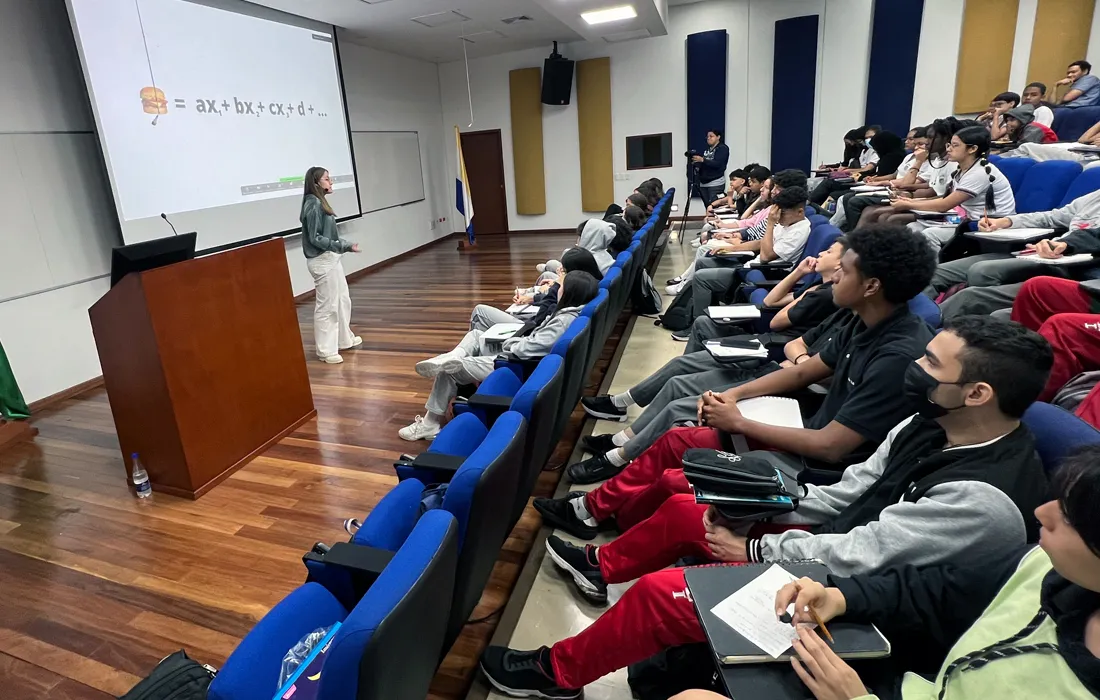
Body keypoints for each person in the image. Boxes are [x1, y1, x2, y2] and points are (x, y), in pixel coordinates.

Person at [481, 317, 1053, 698]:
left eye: (932, 364)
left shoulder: (980, 500)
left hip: (867, 603)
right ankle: (599, 567)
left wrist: (757, 545)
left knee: (665, 595)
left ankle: (557, 674)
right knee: (691, 505)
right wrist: (776, 504)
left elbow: (865, 556)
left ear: (977, 393)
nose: (918, 368)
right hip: (837, 551)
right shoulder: (929, 422)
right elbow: (850, 489)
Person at [665, 445, 1100, 700]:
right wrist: (842, 596)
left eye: (1068, 516)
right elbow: (932, 592)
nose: (1041, 513)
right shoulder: (1042, 562)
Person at [564, 225, 936, 485]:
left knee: (682, 419)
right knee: (687, 379)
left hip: (816, 459)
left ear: (871, 285)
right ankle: (620, 453)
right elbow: (803, 372)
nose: (836, 275)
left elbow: (832, 447)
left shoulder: (898, 354)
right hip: (802, 415)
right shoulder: (866, 319)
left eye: (844, 269)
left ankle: (618, 460)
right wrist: (736, 396)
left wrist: (737, 421)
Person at [575, 241, 847, 472]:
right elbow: (774, 310)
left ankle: (620, 453)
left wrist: (801, 359)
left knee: (678, 393)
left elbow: (778, 325)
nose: (821, 253)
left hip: (769, 362)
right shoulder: (822, 293)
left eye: (831, 252)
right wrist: (800, 273)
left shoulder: (829, 300)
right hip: (774, 359)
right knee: (681, 370)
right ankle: (623, 435)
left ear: (843, 267)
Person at [398, 271, 598, 441]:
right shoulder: (571, 313)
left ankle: (429, 424)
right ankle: (450, 355)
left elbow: (526, 349)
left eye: (561, 284)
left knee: (450, 369)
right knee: (476, 336)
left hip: (514, 364)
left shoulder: (563, 321)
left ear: (570, 292)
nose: (557, 286)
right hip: (519, 355)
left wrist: (509, 342)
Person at [924, 189, 1100, 322]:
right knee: (936, 273)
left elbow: (1090, 237)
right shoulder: (1094, 198)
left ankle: (923, 339)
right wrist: (1006, 221)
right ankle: (912, 323)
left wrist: (1067, 244)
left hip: (1074, 269)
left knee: (975, 285)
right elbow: (1051, 217)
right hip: (1041, 252)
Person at [890, 126, 1015, 255]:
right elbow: (945, 199)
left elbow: (944, 205)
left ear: (972, 149)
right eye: (949, 144)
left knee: (930, 235)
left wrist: (908, 204)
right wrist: (909, 200)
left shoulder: (980, 172)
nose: (948, 149)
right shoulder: (962, 169)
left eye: (955, 145)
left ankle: (934, 273)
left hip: (989, 224)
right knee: (912, 227)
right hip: (968, 220)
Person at [301, 166, 361, 364]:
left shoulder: (320, 202)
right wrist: (343, 245)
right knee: (328, 306)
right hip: (321, 260)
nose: (331, 182)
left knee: (343, 300)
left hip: (331, 256)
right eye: (327, 179)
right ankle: (326, 350)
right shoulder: (313, 204)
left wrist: (339, 247)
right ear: (317, 183)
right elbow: (315, 237)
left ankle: (344, 339)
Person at [469, 247, 603, 333]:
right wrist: (534, 297)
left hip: (531, 328)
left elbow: (542, 317)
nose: (560, 271)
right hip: (534, 325)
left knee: (479, 312)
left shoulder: (574, 293)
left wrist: (556, 285)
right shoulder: (590, 284)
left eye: (564, 270)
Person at [693, 129, 730, 205]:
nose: (708, 138)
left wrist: (703, 160)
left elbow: (718, 164)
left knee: (715, 205)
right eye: (707, 137)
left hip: (715, 183)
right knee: (707, 206)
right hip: (703, 183)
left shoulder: (723, 148)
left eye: (711, 136)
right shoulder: (706, 149)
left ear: (718, 137)